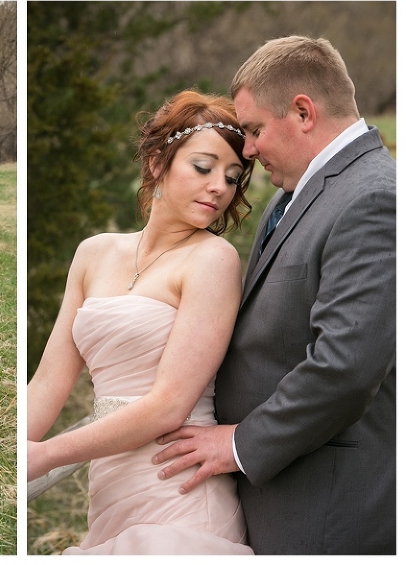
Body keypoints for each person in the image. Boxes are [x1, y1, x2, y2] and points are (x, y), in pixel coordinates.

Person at [152, 36, 396, 555]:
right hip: (274, 491)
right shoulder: (294, 194)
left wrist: (241, 444)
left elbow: (346, 366)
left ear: (303, 111)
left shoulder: (374, 198)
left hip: (324, 502)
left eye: (256, 129)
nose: (249, 148)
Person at [27, 90, 255, 554]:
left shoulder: (214, 260)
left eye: (233, 177)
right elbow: (48, 382)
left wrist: (46, 455)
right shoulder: (94, 253)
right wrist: (10, 454)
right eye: (203, 167)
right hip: (109, 488)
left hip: (179, 491)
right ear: (157, 163)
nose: (219, 187)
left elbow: (169, 405)